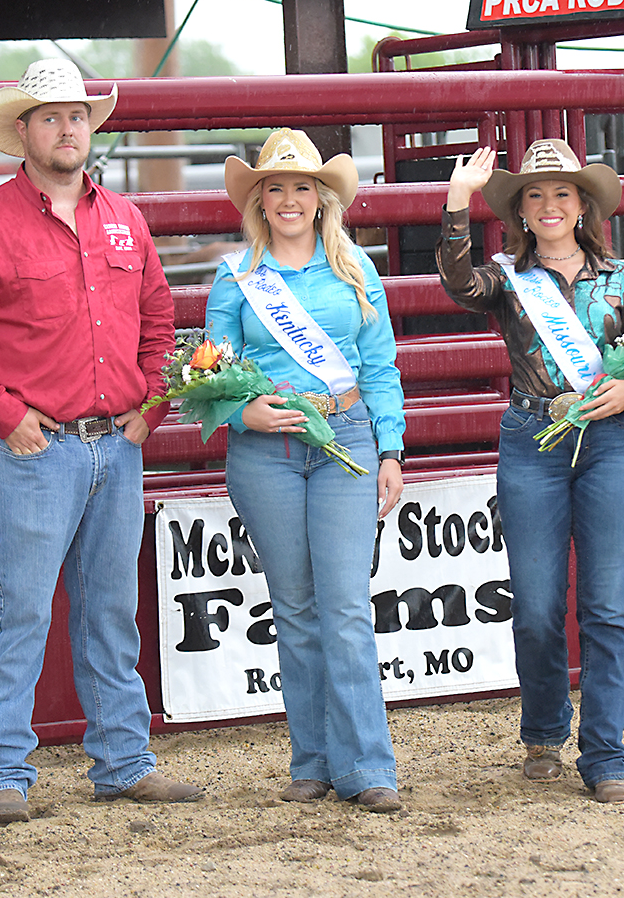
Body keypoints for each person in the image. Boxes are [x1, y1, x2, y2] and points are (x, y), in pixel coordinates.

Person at [0, 59, 203, 825]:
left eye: (76, 115)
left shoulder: (126, 219)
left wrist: (153, 404)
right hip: (37, 450)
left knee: (111, 609)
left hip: (119, 440)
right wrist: (4, 414)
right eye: (50, 117)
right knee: (23, 612)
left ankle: (124, 761)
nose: (67, 127)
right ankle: (2, 772)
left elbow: (158, 319)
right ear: (23, 132)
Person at [436, 139, 624, 803]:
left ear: (582, 204)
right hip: (533, 438)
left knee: (608, 604)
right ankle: (542, 730)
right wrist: (455, 203)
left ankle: (607, 750)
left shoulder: (622, 277)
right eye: (536, 195)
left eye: (562, 193)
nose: (550, 204)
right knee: (534, 605)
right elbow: (456, 282)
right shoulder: (505, 277)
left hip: (610, 441)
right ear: (521, 211)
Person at [205, 128, 406, 812]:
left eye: (300, 187)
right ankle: (314, 759)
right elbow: (211, 373)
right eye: (275, 187)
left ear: (322, 199)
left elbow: (380, 366)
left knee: (345, 606)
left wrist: (391, 449)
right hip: (268, 450)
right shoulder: (235, 278)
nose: (288, 198)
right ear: (258, 200)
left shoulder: (356, 271)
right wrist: (242, 413)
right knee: (294, 608)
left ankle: (368, 766)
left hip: (345, 437)